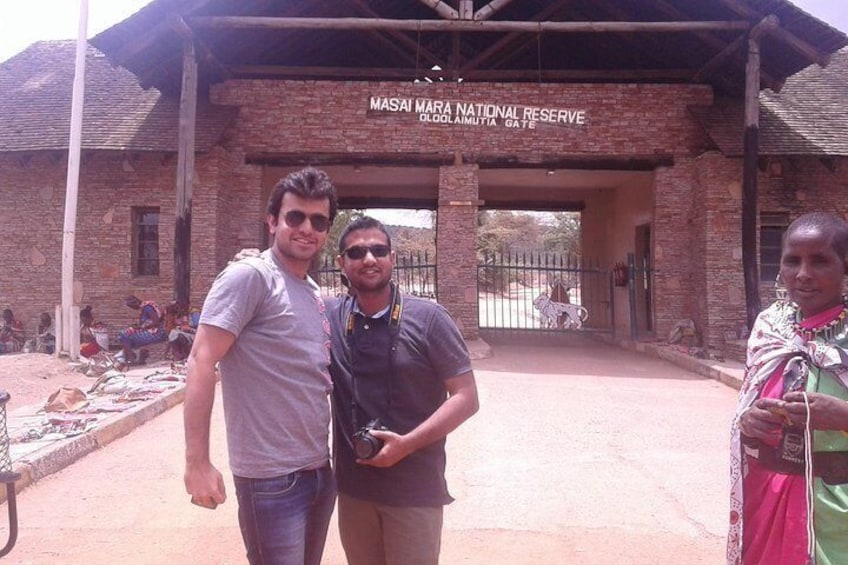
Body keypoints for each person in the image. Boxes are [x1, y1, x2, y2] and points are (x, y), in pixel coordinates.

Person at [183, 167, 338, 565]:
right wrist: (197, 463)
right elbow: (202, 360)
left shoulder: (311, 291)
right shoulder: (250, 277)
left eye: (318, 220)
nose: (306, 228)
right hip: (271, 479)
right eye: (295, 217)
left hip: (318, 471)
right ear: (272, 222)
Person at [329, 216, 479, 565]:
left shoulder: (429, 319)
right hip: (354, 490)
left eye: (379, 250)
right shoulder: (332, 317)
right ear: (341, 263)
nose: (369, 259)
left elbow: (466, 397)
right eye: (357, 252)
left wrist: (407, 444)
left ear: (392, 259)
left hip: (414, 490)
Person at [728, 212, 848, 565]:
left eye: (820, 261)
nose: (804, 273)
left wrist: (840, 415)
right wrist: (750, 421)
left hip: (838, 509)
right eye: (792, 260)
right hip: (769, 492)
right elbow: (748, 398)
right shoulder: (770, 325)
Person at [117, 295, 166, 365]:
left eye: (132, 306)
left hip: (157, 333)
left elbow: (156, 322)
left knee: (124, 334)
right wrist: (136, 327)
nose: (133, 308)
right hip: (151, 332)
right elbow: (145, 324)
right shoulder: (143, 309)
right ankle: (137, 359)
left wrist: (139, 328)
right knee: (125, 335)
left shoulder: (148, 308)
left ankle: (131, 360)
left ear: (136, 302)